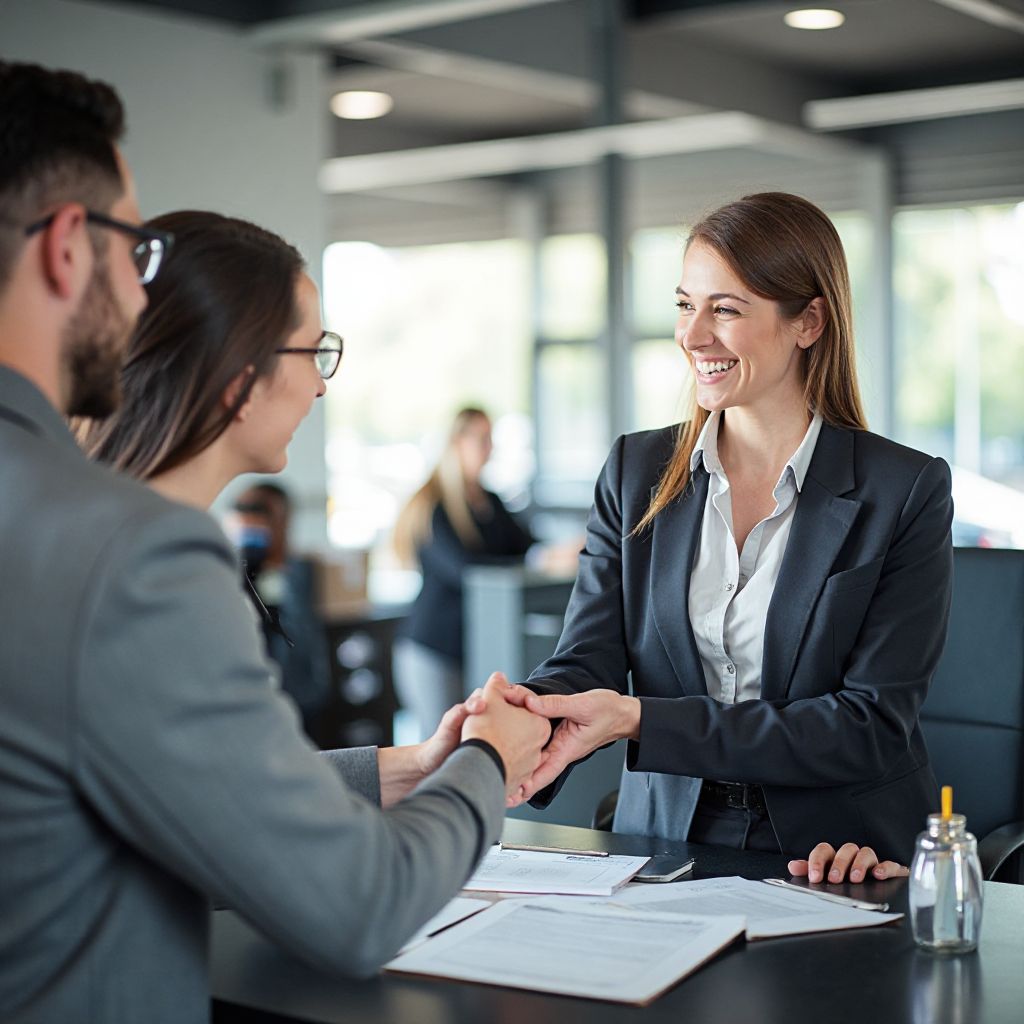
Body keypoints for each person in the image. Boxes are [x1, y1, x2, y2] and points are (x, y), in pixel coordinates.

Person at [0, 62, 548, 1024]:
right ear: (65, 248)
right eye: (131, 252)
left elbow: (127, 783)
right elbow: (356, 905)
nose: (138, 299)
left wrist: (407, 768)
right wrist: (488, 767)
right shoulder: (130, 556)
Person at [502, 192, 952, 884]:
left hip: (838, 850)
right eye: (686, 304)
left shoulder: (904, 491)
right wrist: (521, 721)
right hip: (662, 836)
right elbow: (586, 660)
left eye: (727, 309)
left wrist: (641, 719)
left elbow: (868, 724)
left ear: (809, 321)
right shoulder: (635, 473)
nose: (693, 335)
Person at [392, 407, 534, 740]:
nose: (489, 449)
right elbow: (464, 570)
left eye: (491, 440)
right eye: (482, 439)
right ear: (458, 442)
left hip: (473, 645)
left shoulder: (490, 501)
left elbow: (526, 546)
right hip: (433, 649)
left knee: (472, 744)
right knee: (439, 750)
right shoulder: (434, 505)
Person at [226, 482, 332, 733]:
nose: (250, 518)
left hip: (297, 695)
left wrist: (277, 562)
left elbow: (300, 637)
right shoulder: (227, 570)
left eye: (260, 510)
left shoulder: (298, 571)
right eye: (242, 509)